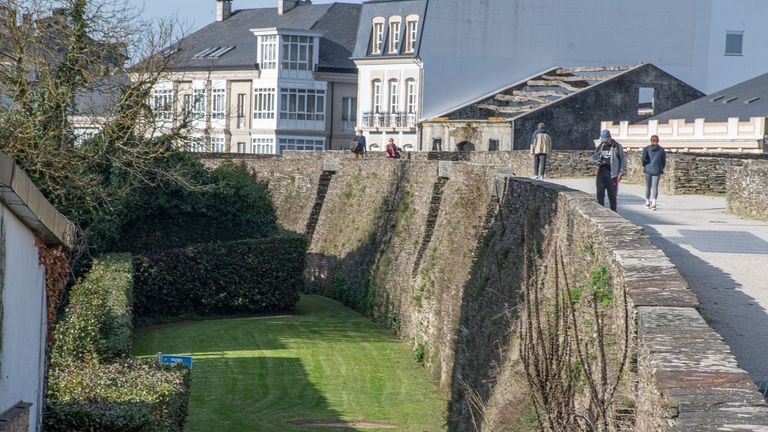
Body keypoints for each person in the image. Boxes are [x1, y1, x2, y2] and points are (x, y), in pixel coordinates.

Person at [591, 129, 626, 212]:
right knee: (600, 194)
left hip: (612, 174)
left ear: (610, 138)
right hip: (601, 173)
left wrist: (621, 173)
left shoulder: (617, 147)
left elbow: (622, 160)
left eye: (606, 140)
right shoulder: (600, 147)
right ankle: (600, 211)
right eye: (603, 140)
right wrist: (597, 162)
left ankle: (614, 211)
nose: (605, 142)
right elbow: (594, 159)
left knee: (612, 195)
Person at [642, 134, 666, 211]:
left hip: (648, 169)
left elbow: (643, 159)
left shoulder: (646, 149)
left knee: (648, 186)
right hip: (657, 169)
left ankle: (647, 202)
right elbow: (664, 161)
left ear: (651, 140)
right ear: (658, 140)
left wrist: (645, 165)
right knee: (655, 186)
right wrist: (661, 168)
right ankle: (654, 204)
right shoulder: (661, 150)